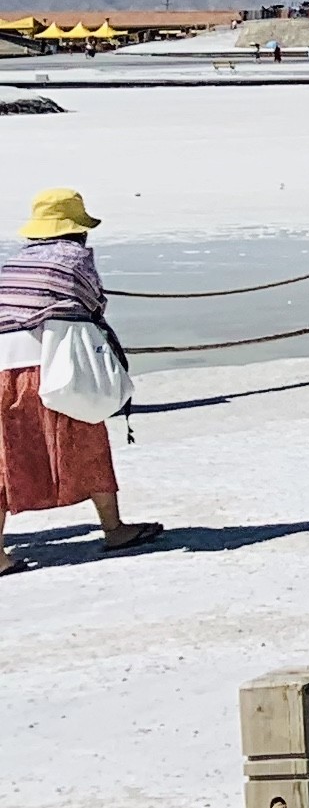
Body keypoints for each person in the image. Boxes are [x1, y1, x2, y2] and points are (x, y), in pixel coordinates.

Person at [0, 191, 159, 568]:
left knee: (3, 456)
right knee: (87, 440)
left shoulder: (13, 264)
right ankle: (114, 529)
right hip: (51, 366)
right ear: (77, 231)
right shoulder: (75, 260)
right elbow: (91, 305)